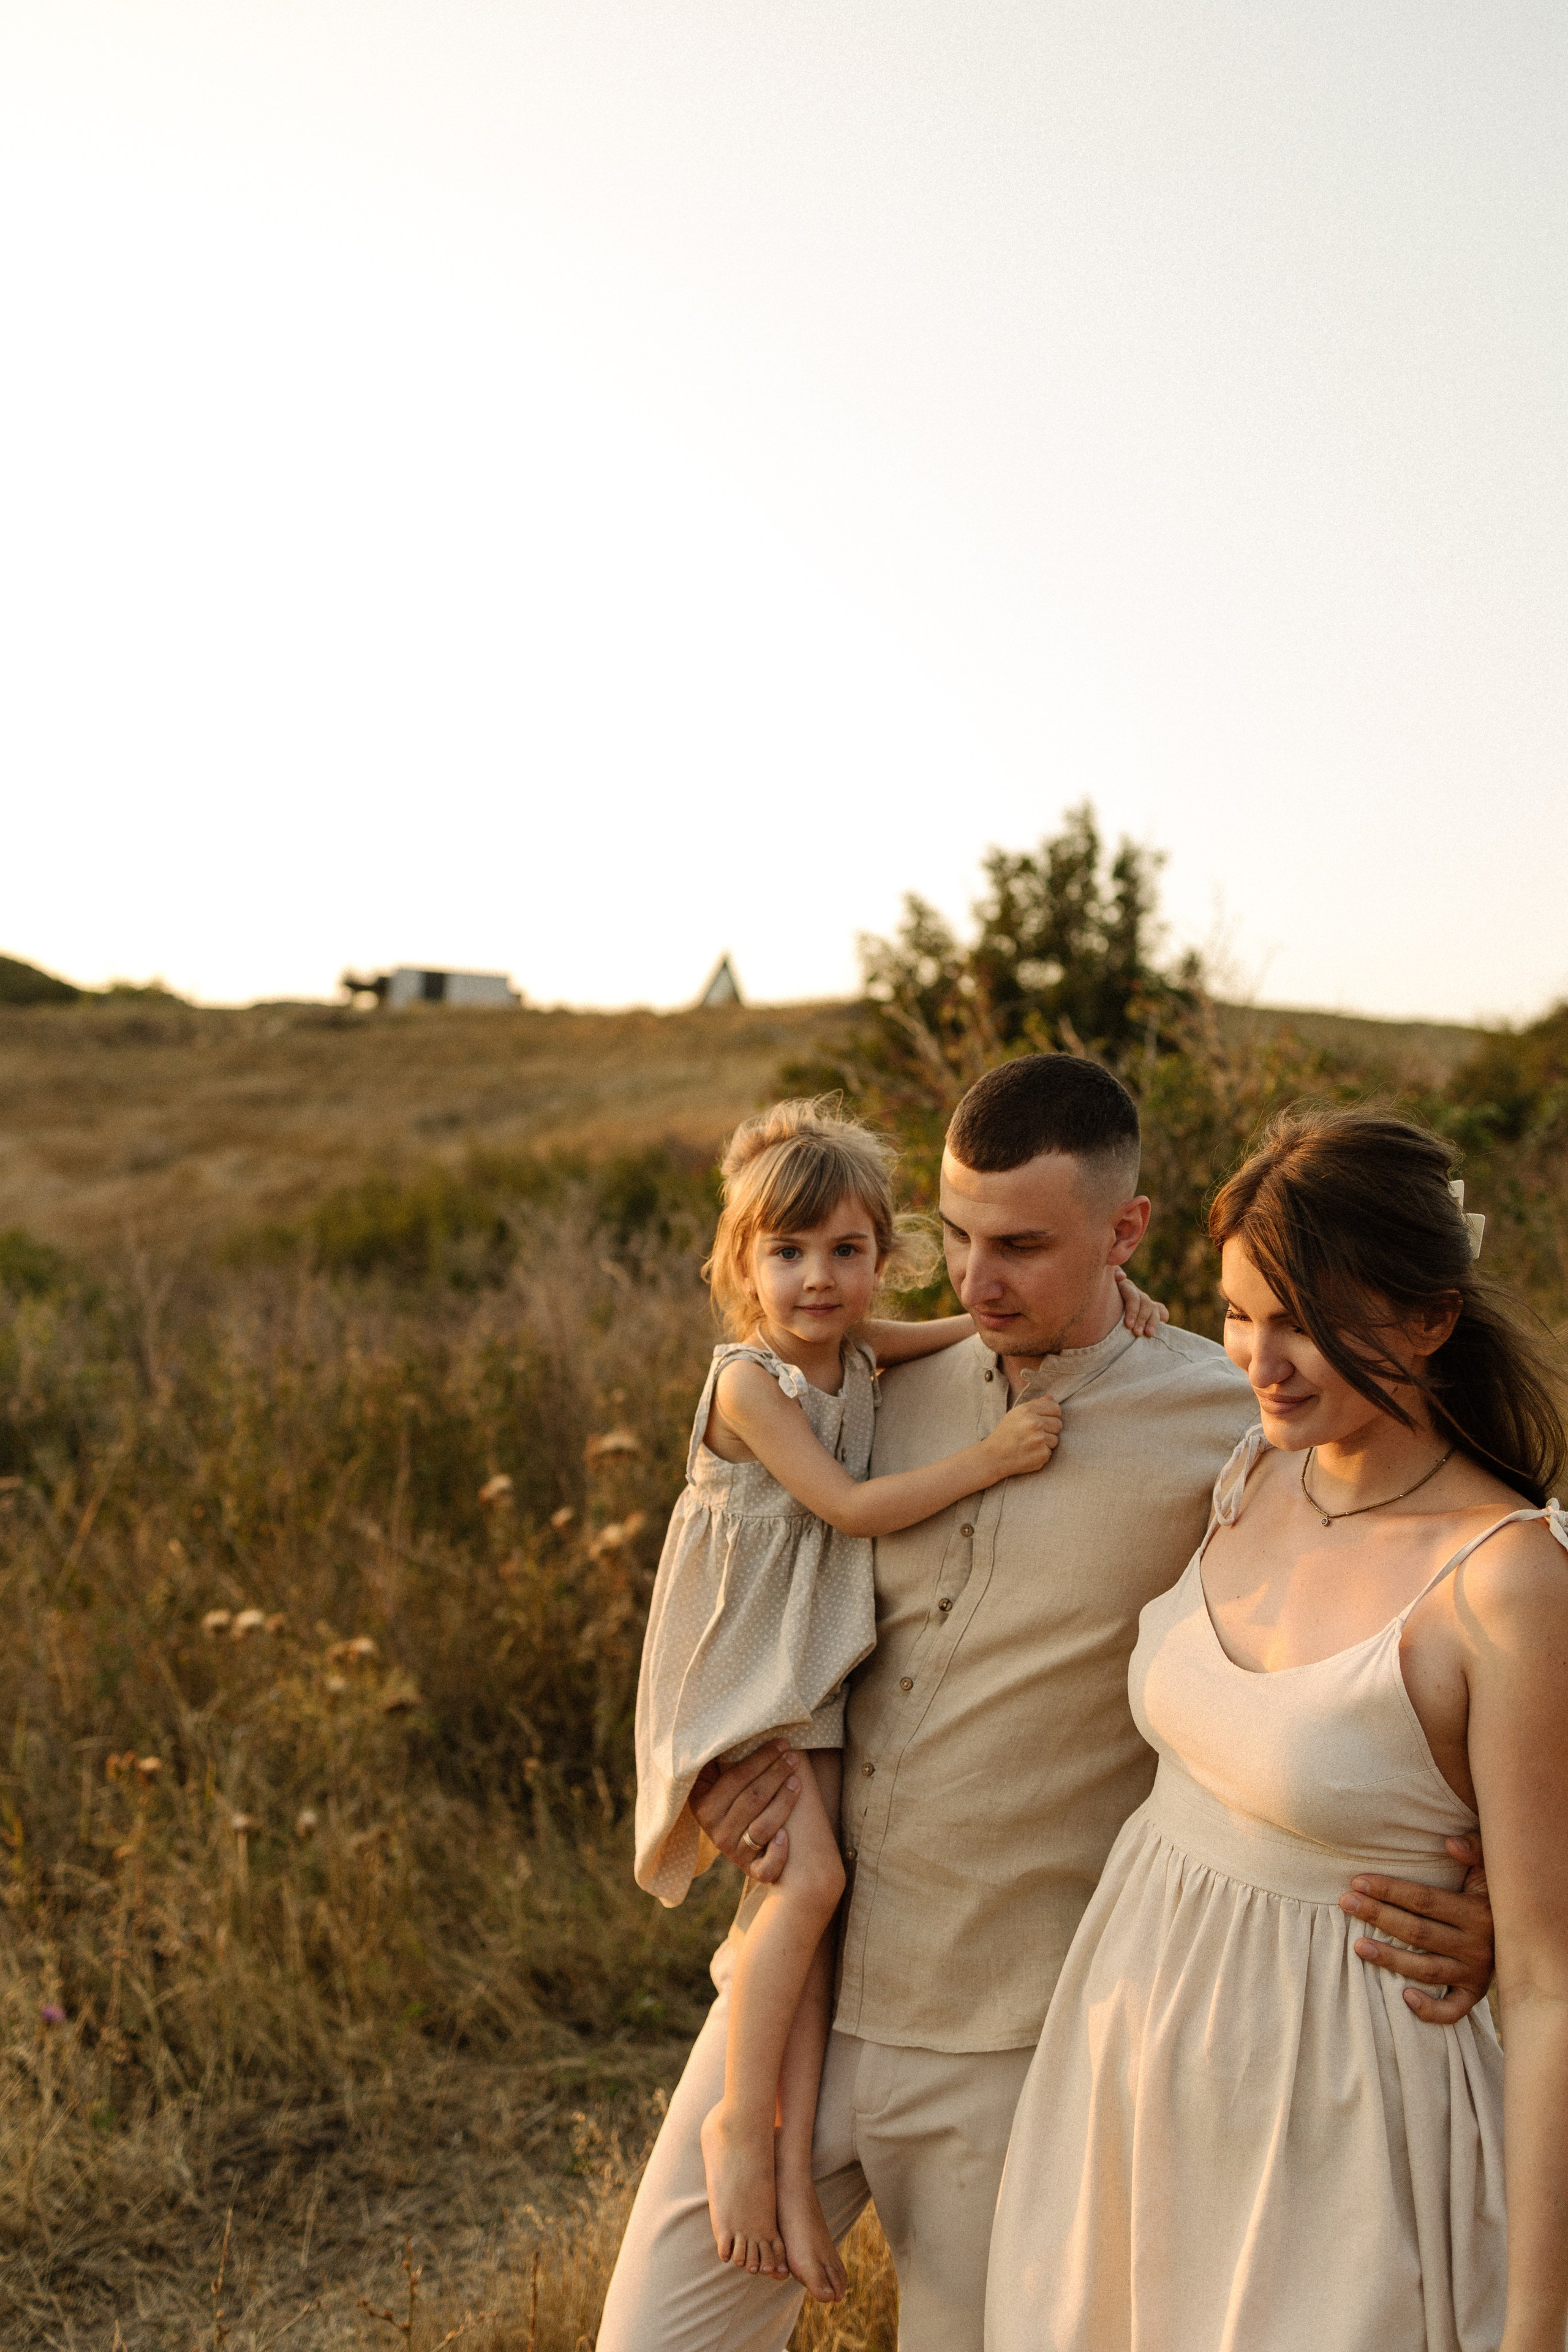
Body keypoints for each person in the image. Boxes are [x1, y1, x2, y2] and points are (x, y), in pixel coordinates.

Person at [598, 1058, 1498, 2352]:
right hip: (787, 1996)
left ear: (1124, 1232)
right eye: (956, 1237)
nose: (974, 1281)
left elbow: (1397, 1601)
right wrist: (728, 1762)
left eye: (1020, 1245)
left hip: (1016, 2041)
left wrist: (1488, 1907)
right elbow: (748, 1585)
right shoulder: (865, 1388)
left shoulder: (1228, 1426)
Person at [988, 1106, 1566, 2352]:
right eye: (1239, 1313)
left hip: (1346, 2132)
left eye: (1302, 1318)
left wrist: (1534, 2325)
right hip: (1132, 2074)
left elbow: (1543, 1976)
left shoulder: (1501, 1579)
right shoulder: (1247, 1470)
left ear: (1429, 1316)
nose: (1259, 1357)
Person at [634, 1099, 1082, 2298]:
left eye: (844, 1251)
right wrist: (987, 1458)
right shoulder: (749, 1385)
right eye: (785, 1253)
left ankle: (784, 2174)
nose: (817, 1278)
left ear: (882, 1256)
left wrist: (1107, 1321)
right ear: (739, 1267)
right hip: (742, 1667)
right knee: (812, 1882)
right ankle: (739, 2131)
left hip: (808, 1663)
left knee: (813, 1907)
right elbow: (844, 1506)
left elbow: (946, 1333)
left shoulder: (856, 1348)